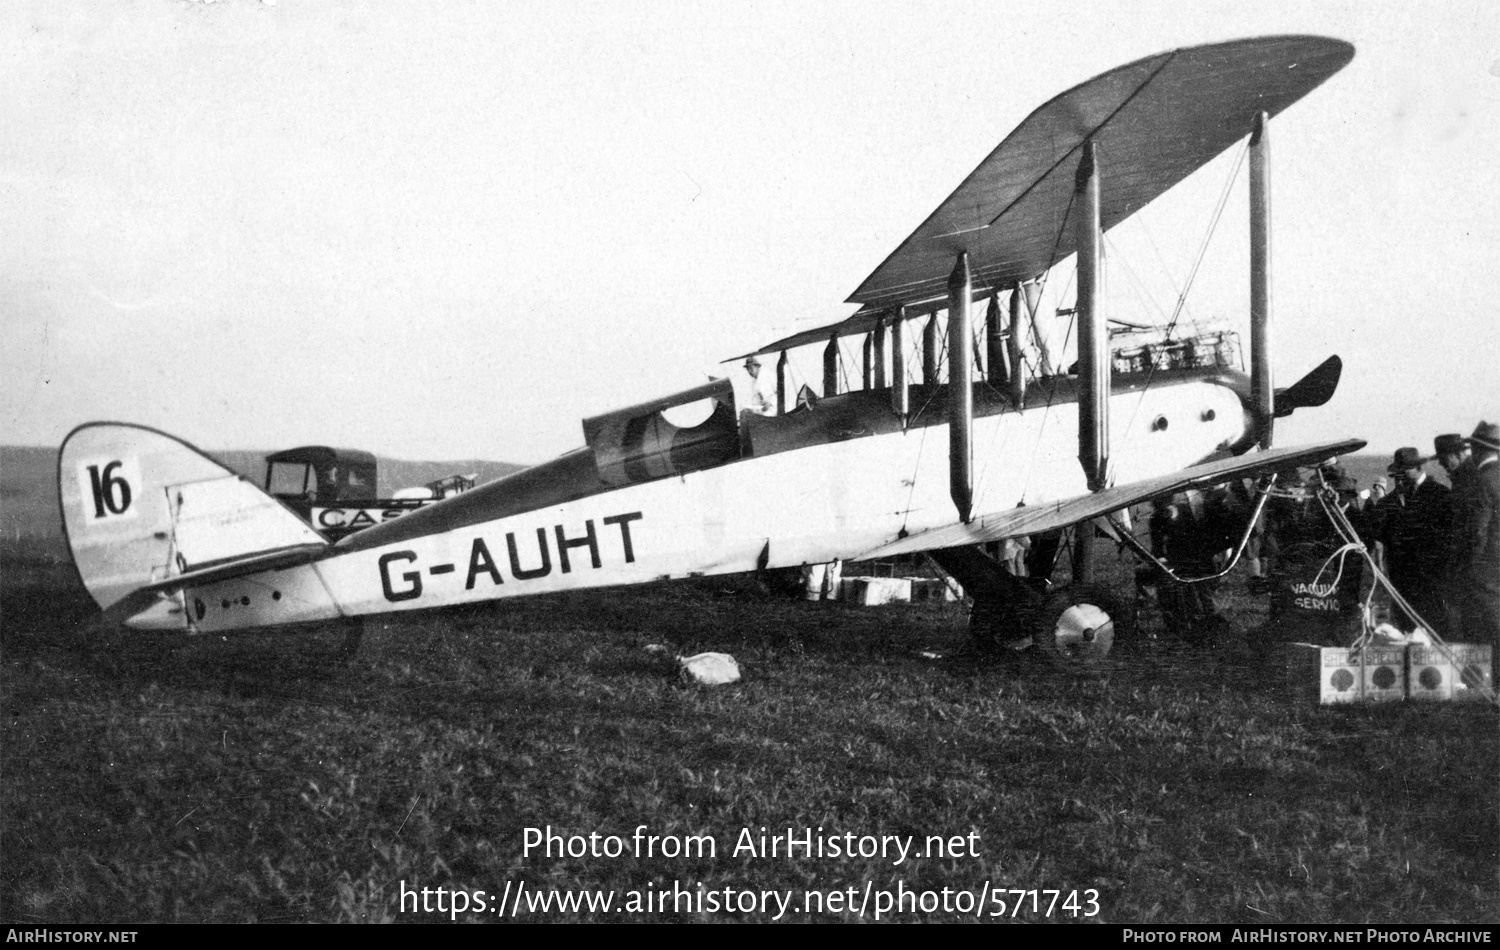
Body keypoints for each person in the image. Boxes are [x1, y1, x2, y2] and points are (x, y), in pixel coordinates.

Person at [1377, 446, 1451, 634]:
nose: (1400, 478)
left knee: (1433, 632)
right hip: (1401, 583)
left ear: (1418, 468)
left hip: (1431, 583)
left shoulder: (1440, 495)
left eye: (1404, 472)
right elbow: (1379, 535)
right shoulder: (1388, 503)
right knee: (1405, 632)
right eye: (1397, 474)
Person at [1452, 422, 1500, 652]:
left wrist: (1469, 568)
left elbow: (1478, 531)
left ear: (1478, 449)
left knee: (1483, 636)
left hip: (1485, 573)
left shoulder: (1482, 481)